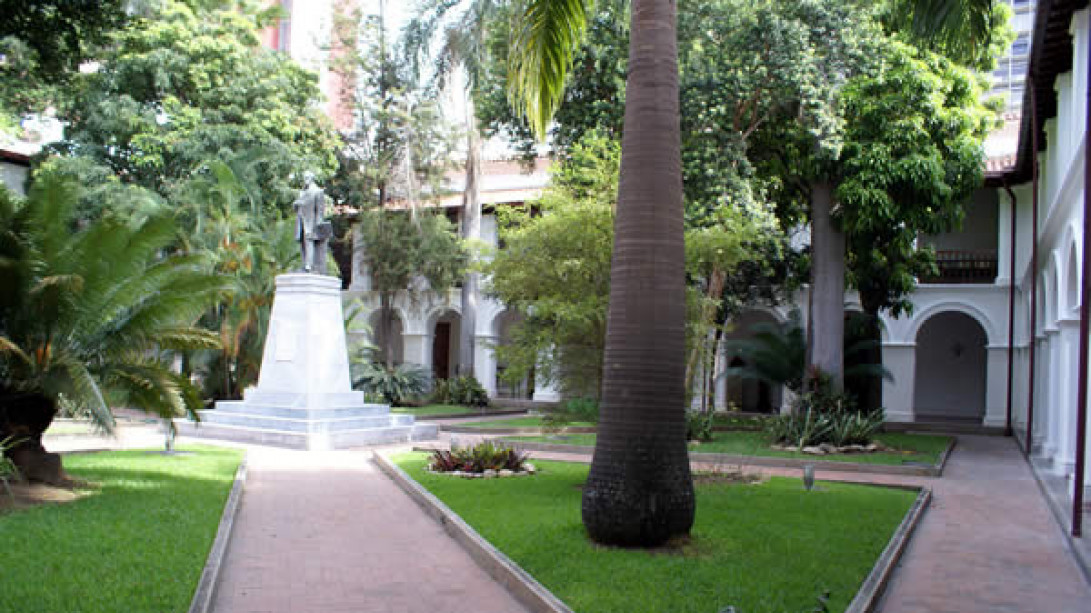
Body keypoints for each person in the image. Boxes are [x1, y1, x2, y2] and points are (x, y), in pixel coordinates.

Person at [293, 171, 330, 273]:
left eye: (307, 178)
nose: (305, 180)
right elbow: (297, 209)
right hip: (301, 222)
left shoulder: (317, 191)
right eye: (304, 178)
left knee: (309, 243)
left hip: (311, 222)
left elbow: (320, 210)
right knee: (302, 244)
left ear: (312, 178)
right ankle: (304, 264)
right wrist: (296, 204)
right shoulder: (302, 192)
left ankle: (309, 266)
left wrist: (318, 224)